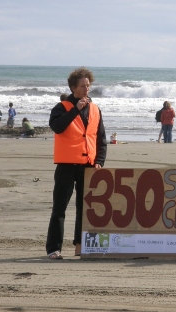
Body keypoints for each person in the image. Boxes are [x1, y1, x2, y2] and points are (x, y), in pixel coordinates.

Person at [46, 67, 107, 260]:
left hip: (88, 164)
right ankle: (54, 248)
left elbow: (101, 138)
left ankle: (80, 245)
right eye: (82, 86)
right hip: (66, 165)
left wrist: (99, 161)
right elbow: (57, 127)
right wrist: (75, 109)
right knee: (60, 208)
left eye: (88, 86)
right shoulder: (62, 107)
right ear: (73, 87)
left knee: (84, 207)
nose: (86, 89)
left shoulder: (96, 109)